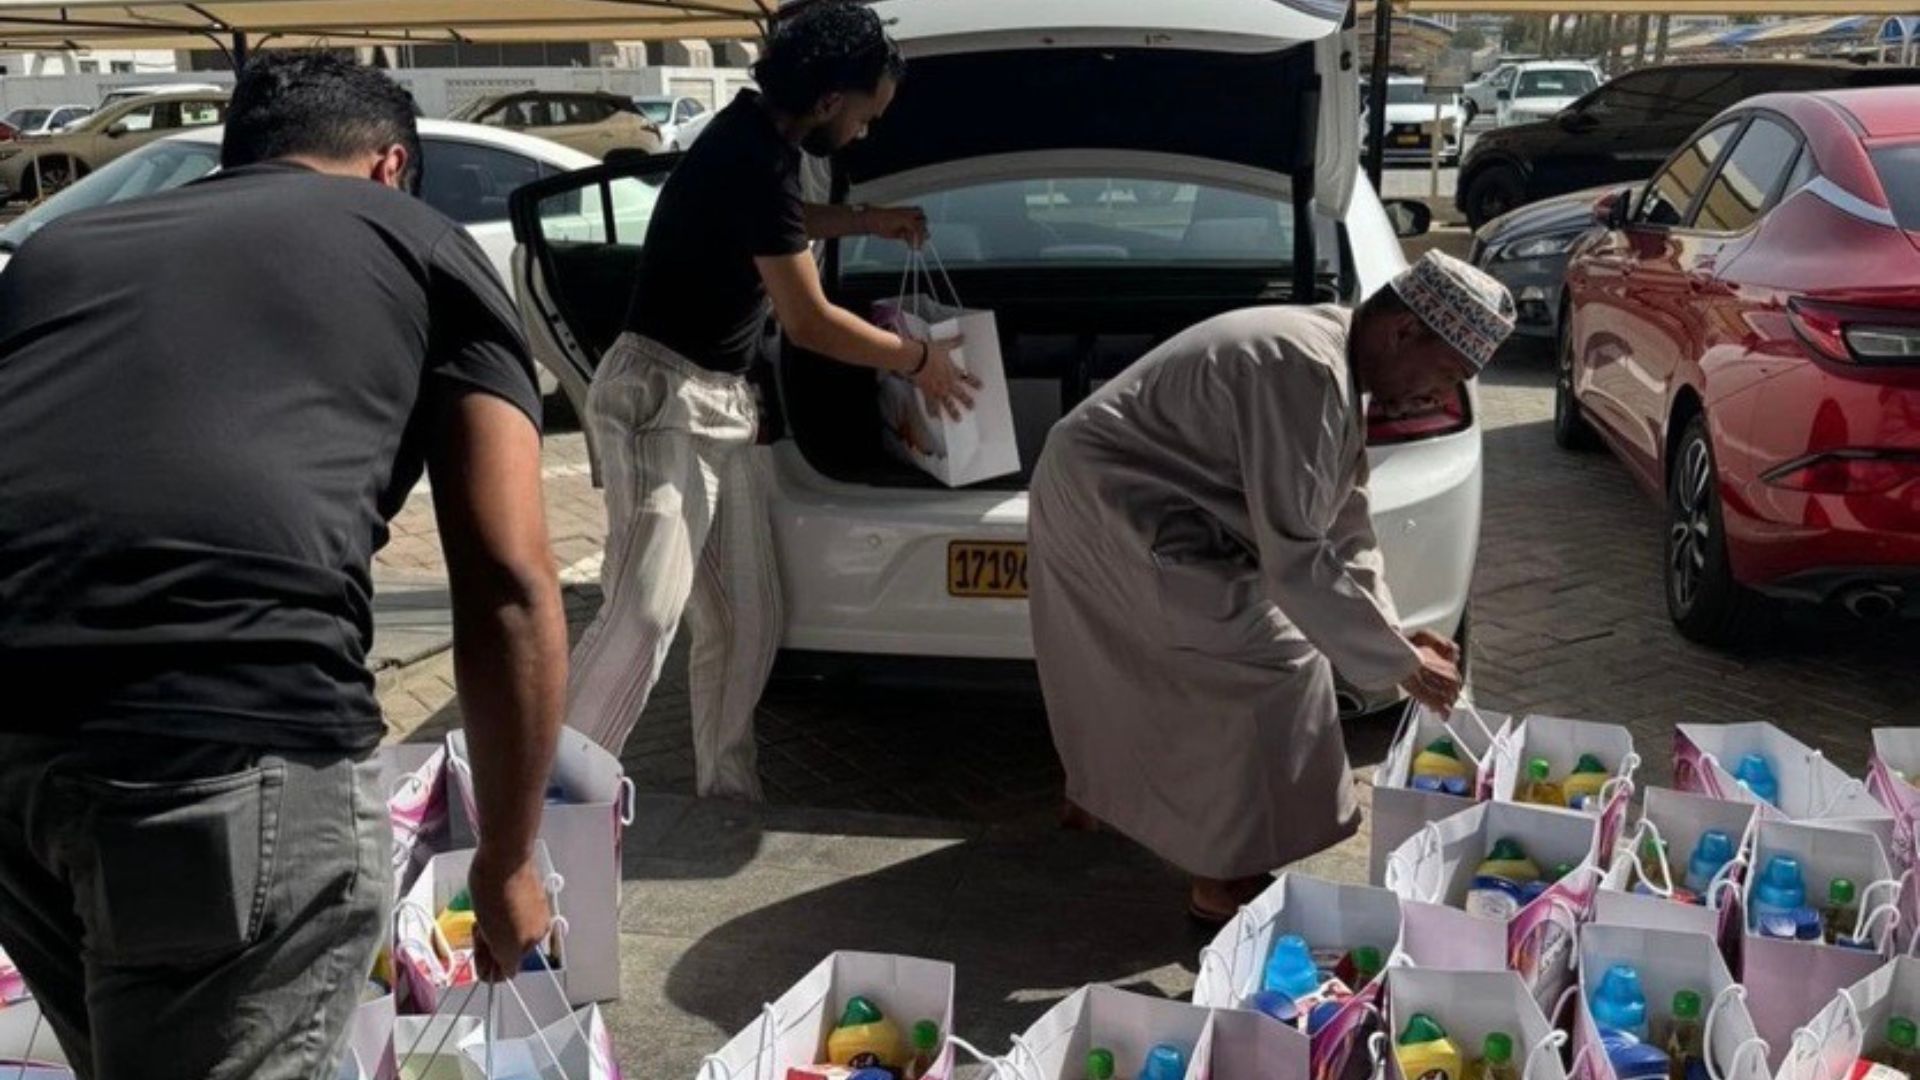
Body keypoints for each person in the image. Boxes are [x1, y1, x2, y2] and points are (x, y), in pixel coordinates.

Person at [0, 54, 567, 1079]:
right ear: (393, 165)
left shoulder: (61, 245)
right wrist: (510, 860)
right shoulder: (417, 239)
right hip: (227, 740)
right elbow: (510, 581)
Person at [565, 0, 976, 799]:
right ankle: (550, 808)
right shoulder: (750, 155)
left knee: (746, 622)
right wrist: (918, 358)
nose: (865, 134)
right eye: (867, 116)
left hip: (721, 403)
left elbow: (777, 224)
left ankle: (726, 795)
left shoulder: (765, 145)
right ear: (830, 102)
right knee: (645, 613)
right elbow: (810, 322)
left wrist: (866, 220)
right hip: (661, 397)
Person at [1028, 251, 1515, 922]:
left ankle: (1100, 799)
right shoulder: (1307, 369)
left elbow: (1345, 519)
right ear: (1404, 333)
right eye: (1447, 374)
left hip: (1131, 497)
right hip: (1109, 499)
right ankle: (1225, 876)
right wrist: (1396, 663)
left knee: (1142, 666)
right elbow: (1296, 556)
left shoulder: (1335, 359)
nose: (1440, 396)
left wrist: (1392, 632)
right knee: (1273, 662)